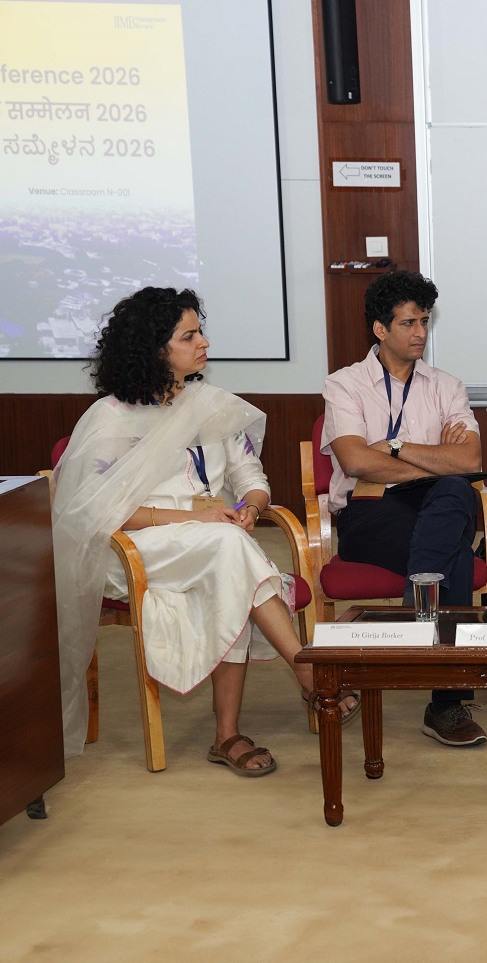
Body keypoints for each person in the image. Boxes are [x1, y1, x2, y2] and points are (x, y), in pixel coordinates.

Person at [51, 287, 356, 777]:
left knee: (230, 556)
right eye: (189, 336)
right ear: (155, 349)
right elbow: (95, 513)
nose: (204, 343)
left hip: (214, 540)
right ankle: (304, 670)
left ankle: (229, 734)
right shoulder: (111, 420)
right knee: (228, 549)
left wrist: (250, 511)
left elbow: (252, 480)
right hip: (135, 547)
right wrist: (196, 518)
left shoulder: (210, 406)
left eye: (200, 331)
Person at [323, 270, 487, 747]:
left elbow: (470, 459)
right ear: (380, 329)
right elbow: (354, 461)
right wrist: (435, 460)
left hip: (434, 503)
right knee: (453, 549)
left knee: (458, 491)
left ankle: (416, 623)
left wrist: (394, 446)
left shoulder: (446, 386)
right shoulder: (345, 385)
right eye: (409, 323)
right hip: (367, 511)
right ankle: (445, 702)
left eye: (426, 321)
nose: (421, 333)